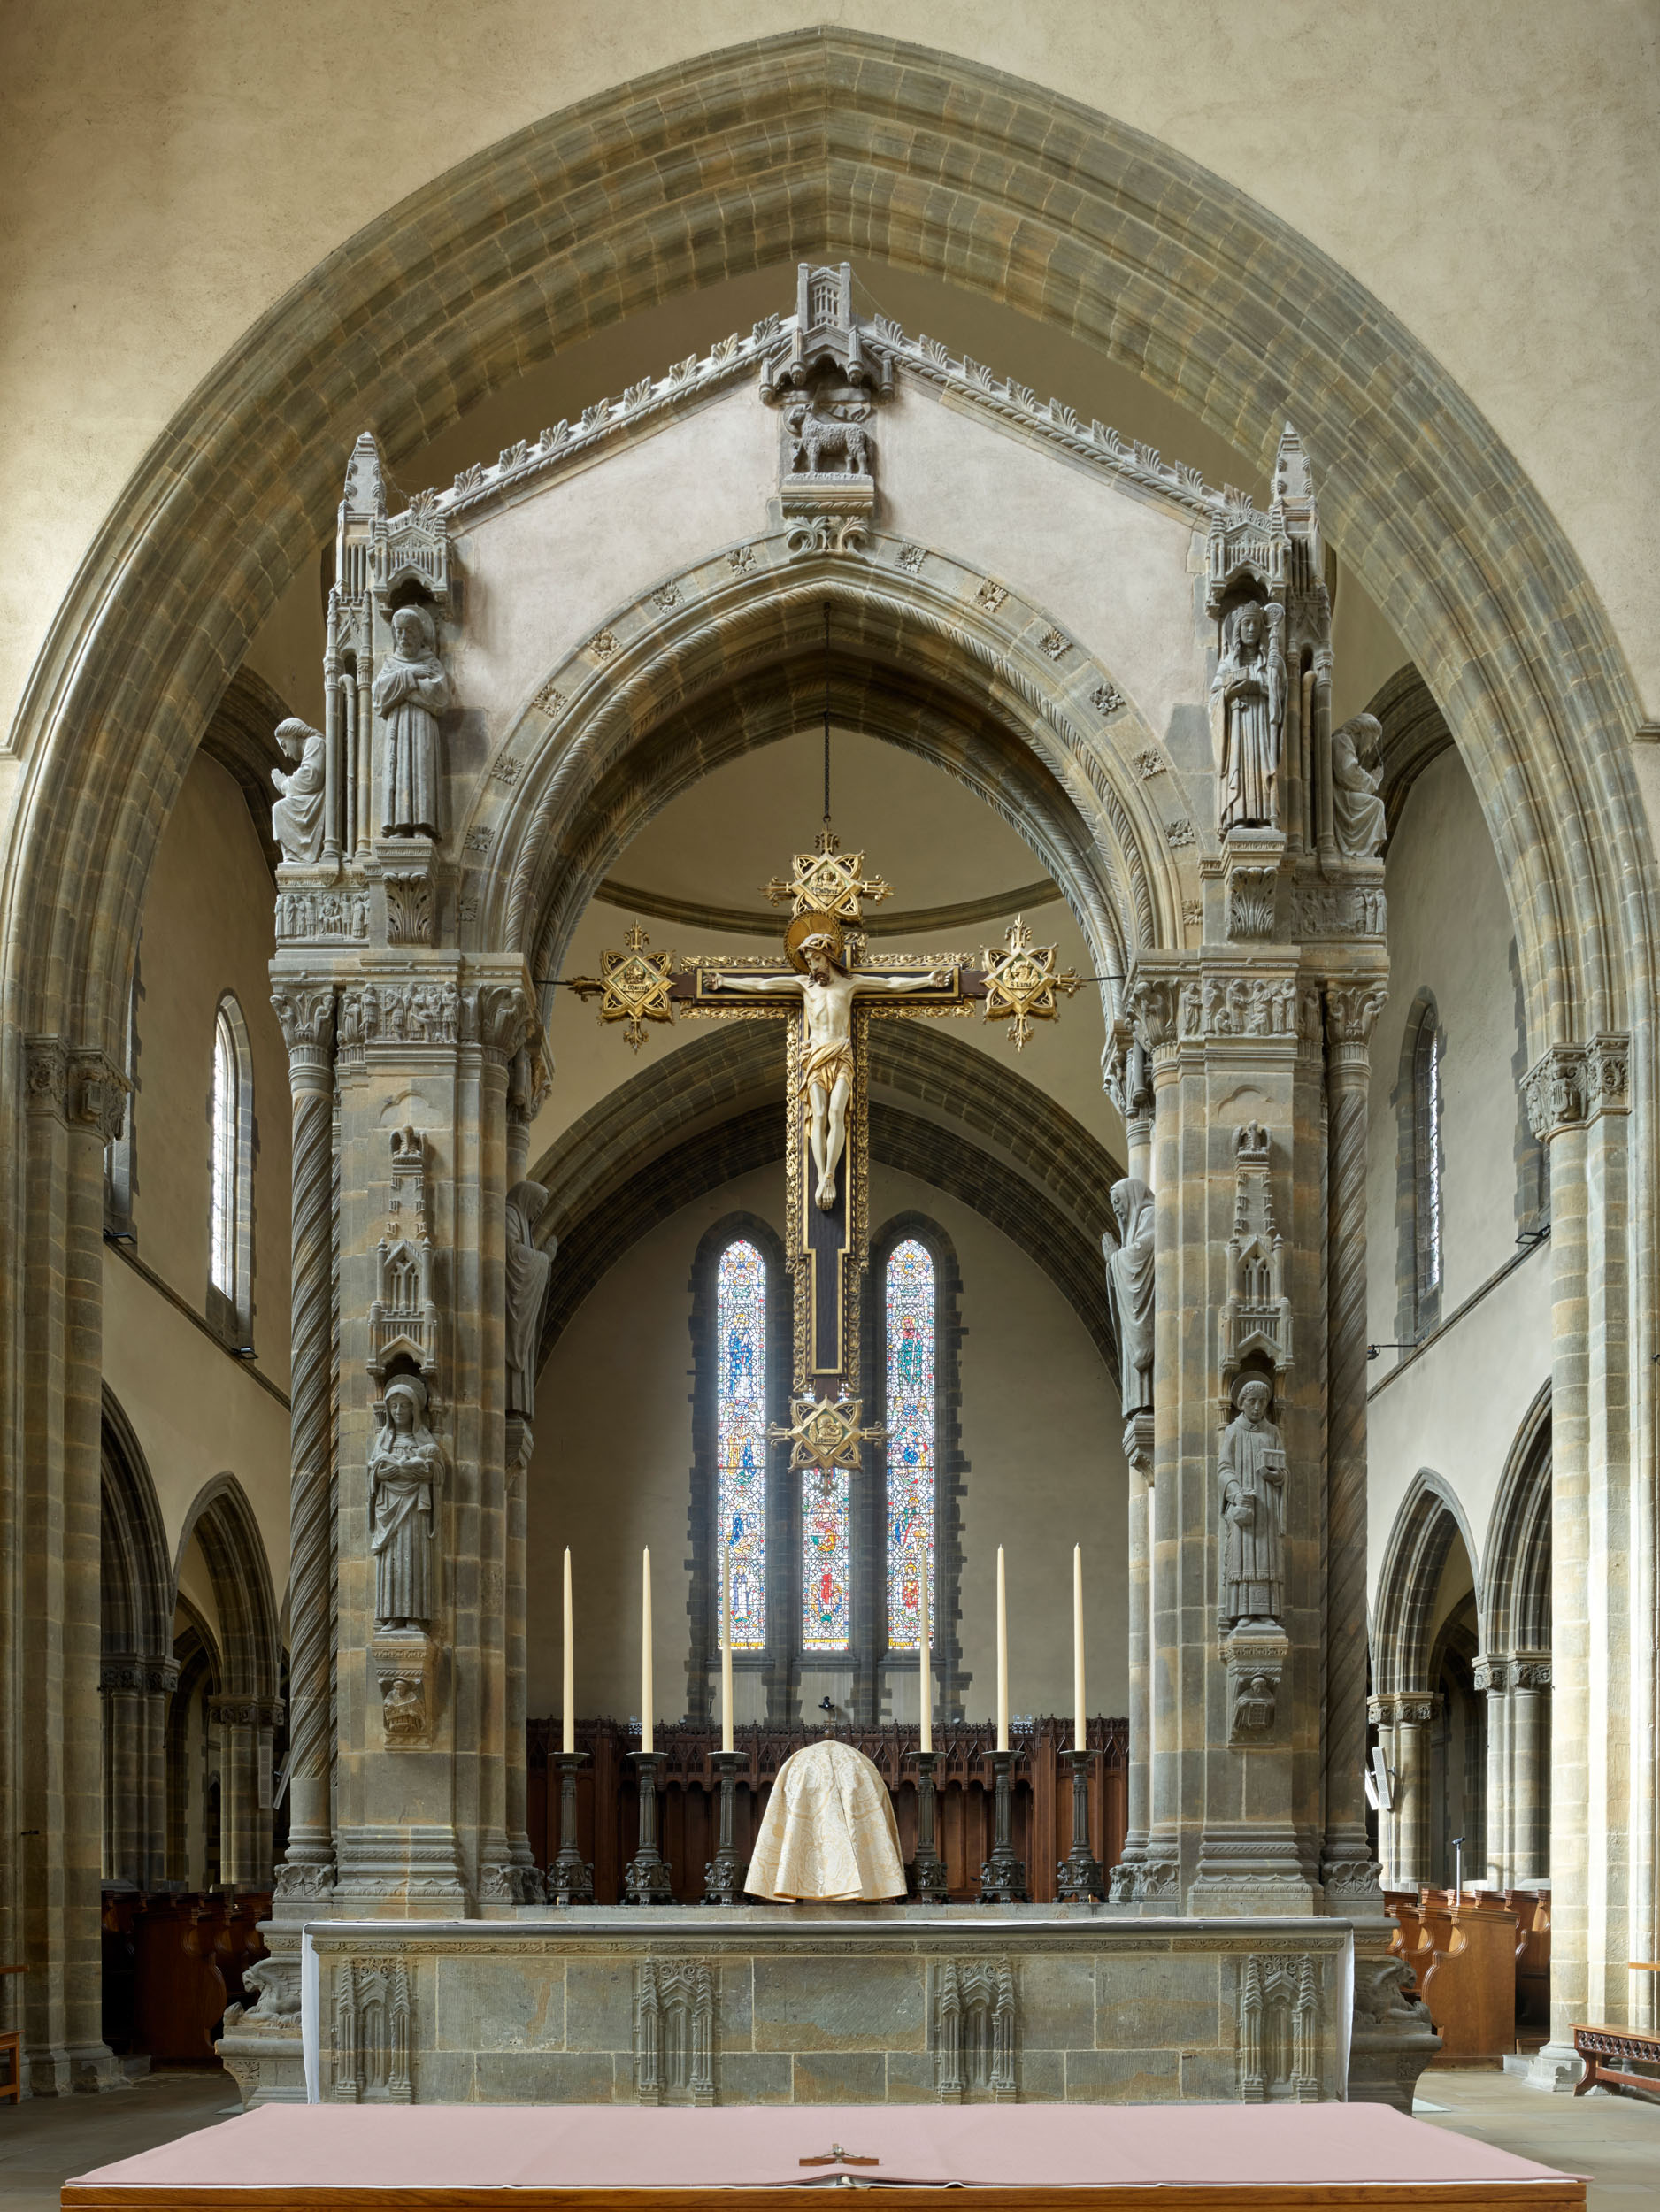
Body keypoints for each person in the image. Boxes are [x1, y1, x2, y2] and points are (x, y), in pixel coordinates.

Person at [711, 931, 949, 1210]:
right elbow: (763, 985)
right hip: (816, 1057)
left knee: (837, 1113)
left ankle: (829, 1176)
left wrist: (927, 981)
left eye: (816, 959)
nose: (812, 966)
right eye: (809, 961)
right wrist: (725, 981)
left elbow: (890, 984)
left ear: (828, 957)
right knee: (820, 1114)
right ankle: (821, 1177)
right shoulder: (804, 985)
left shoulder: (850, 985)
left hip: (842, 1055)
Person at [368, 1375, 445, 1630]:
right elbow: (371, 1471)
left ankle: (415, 1615)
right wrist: (380, 1475)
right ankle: (393, 1615)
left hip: (414, 1509)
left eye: (404, 1405)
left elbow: (438, 1471)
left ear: (414, 1409)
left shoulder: (423, 1440)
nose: (399, 1411)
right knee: (391, 1560)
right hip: (388, 1506)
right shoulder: (385, 1441)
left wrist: (426, 1473)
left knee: (413, 1557)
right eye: (394, 1406)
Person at [373, 603, 450, 835]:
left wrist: (402, 689)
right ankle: (400, 825)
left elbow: (439, 697)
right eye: (399, 631)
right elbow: (379, 697)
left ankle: (422, 825)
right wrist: (412, 676)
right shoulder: (390, 664)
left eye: (409, 631)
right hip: (398, 727)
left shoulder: (431, 663)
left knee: (421, 769)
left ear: (419, 633)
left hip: (422, 727)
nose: (404, 636)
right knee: (399, 771)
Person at [1218, 1377, 1287, 1629]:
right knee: (1244, 1557)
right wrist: (1236, 1494)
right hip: (1246, 1505)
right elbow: (1224, 1468)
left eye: (1262, 1402)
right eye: (1252, 1402)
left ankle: (1267, 1611)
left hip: (1267, 1507)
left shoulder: (1273, 1432)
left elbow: (1283, 1470)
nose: (1257, 1407)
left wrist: (1276, 1475)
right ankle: (1243, 1611)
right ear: (1241, 1403)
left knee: (1267, 1558)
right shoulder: (1233, 1431)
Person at [1213, 602, 1287, 832]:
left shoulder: (1269, 662)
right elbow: (1216, 696)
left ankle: (1265, 816)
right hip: (1239, 725)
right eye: (1246, 624)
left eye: (1256, 623)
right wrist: (1231, 692)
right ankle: (1239, 817)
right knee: (1240, 769)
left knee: (1263, 766)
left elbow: (1281, 695)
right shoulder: (1228, 663)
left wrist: (1276, 675)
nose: (1252, 628)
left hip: (1261, 724)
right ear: (1237, 629)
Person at [270, 717, 327, 863]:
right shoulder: (311, 744)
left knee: (280, 808)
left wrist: (284, 784)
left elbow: (311, 776)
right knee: (280, 807)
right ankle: (294, 857)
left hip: (318, 799)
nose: (285, 753)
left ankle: (297, 857)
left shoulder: (314, 742)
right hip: (314, 798)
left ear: (294, 736)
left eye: (284, 745)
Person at [1331, 711, 1387, 858]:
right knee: (1377, 806)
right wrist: (1372, 781)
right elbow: (1347, 774)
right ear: (1363, 732)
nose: (1370, 748)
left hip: (1342, 795)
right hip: (1340, 797)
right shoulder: (1342, 740)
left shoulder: (1345, 742)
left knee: (1377, 805)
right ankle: (1360, 851)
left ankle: (1362, 851)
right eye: (1372, 741)